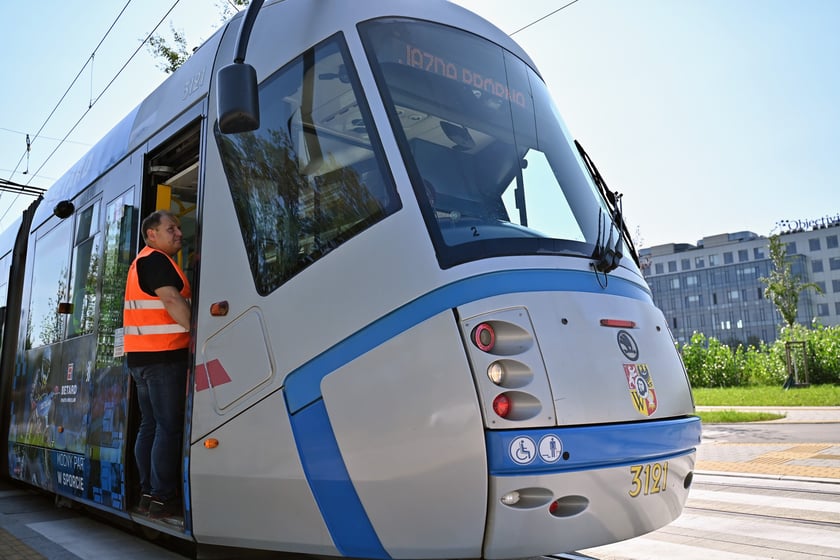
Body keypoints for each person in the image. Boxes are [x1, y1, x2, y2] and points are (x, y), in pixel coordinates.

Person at [123, 210, 191, 519]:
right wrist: (201, 330)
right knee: (168, 426)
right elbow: (173, 301)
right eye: (171, 228)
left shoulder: (141, 263)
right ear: (152, 234)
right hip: (163, 357)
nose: (178, 232)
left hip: (141, 359)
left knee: (150, 425)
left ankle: (149, 493)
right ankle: (164, 497)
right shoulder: (155, 260)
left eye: (178, 227)